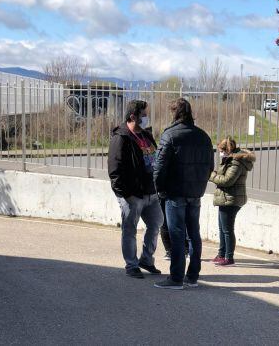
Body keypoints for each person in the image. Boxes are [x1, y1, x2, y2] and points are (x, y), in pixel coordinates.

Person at [153, 98, 214, 290]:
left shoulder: (170, 135)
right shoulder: (203, 136)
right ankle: (193, 276)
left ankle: (176, 278)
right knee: (193, 234)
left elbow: (159, 167)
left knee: (177, 234)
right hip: (195, 193)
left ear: (174, 113)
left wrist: (159, 189)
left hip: (175, 193)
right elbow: (210, 166)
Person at [108, 100, 164, 279]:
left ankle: (146, 260)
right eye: (144, 114)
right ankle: (131, 265)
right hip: (133, 195)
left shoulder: (146, 135)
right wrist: (125, 194)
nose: (147, 117)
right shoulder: (121, 137)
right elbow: (114, 170)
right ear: (133, 116)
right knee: (130, 229)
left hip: (151, 192)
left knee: (156, 223)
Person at [209, 137, 255, 266]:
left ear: (227, 150)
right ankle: (221, 254)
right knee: (222, 228)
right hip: (225, 198)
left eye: (222, 151)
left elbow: (227, 180)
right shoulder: (229, 160)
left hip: (231, 199)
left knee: (227, 229)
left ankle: (229, 257)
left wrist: (211, 175)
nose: (220, 153)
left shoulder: (236, 163)